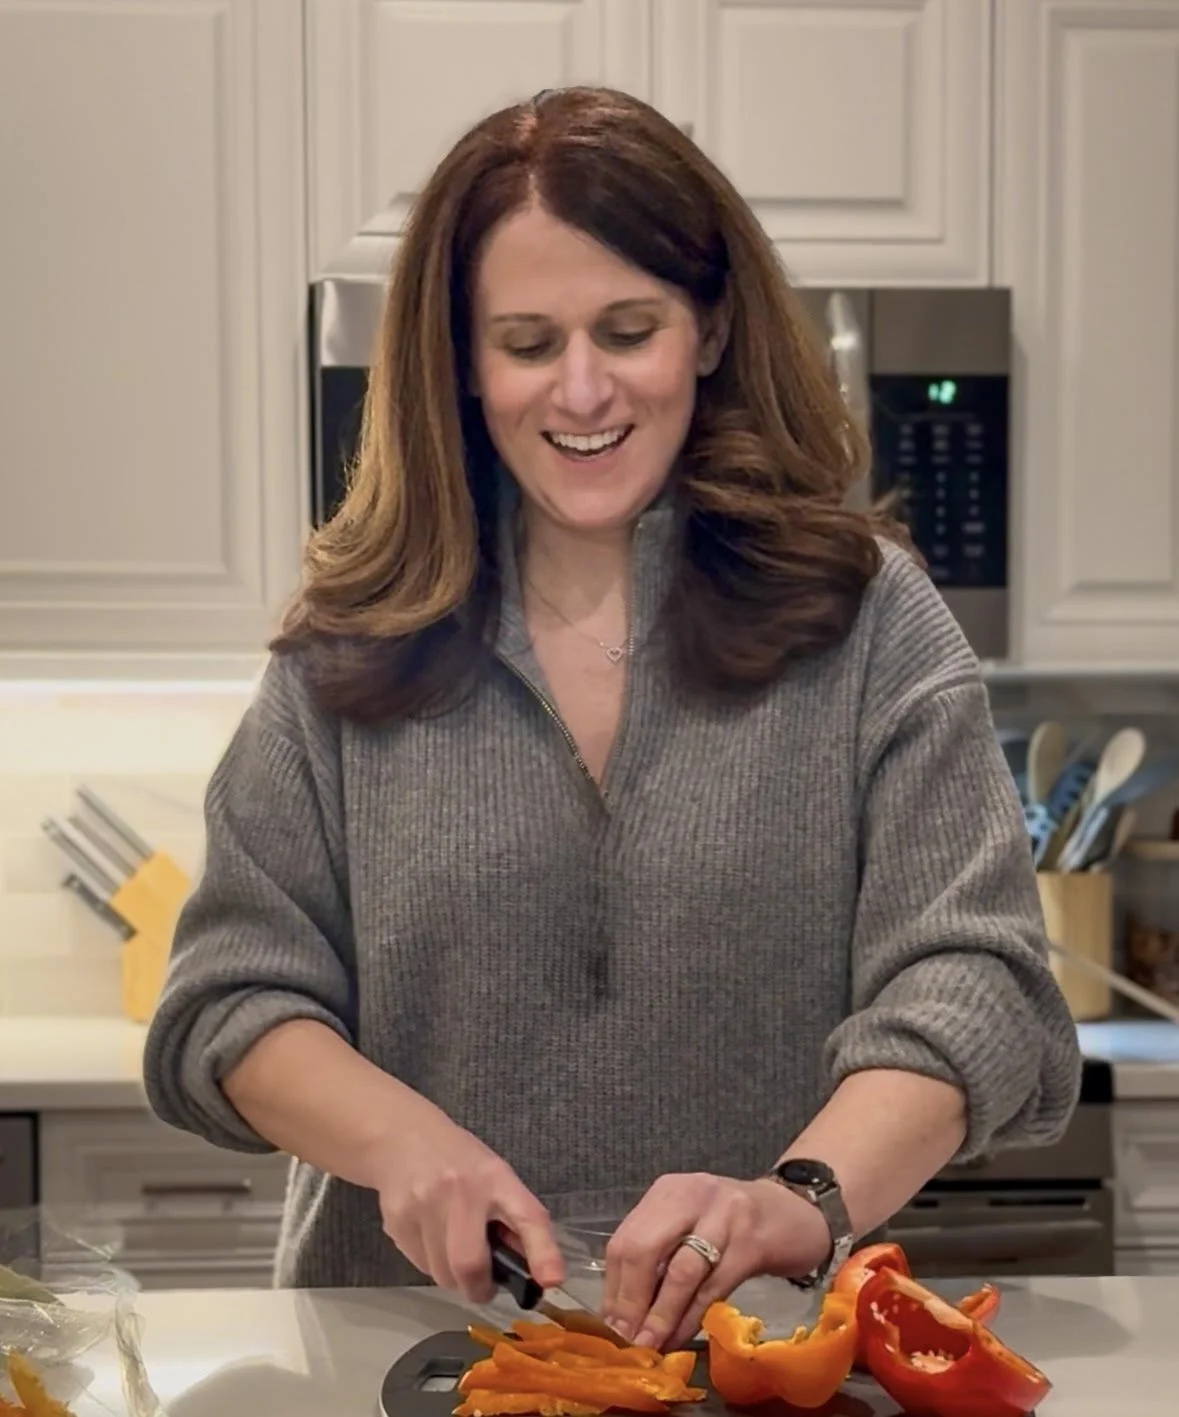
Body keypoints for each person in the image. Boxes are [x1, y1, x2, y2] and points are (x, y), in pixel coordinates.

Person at [143, 85, 1082, 1353]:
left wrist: (795, 1197)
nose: (581, 391)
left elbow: (978, 987)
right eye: (527, 342)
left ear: (707, 330)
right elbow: (228, 1003)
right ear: (463, 367)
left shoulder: (871, 621)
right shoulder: (350, 642)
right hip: (400, 1346)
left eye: (627, 329)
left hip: (756, 1356)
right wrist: (403, 1141)